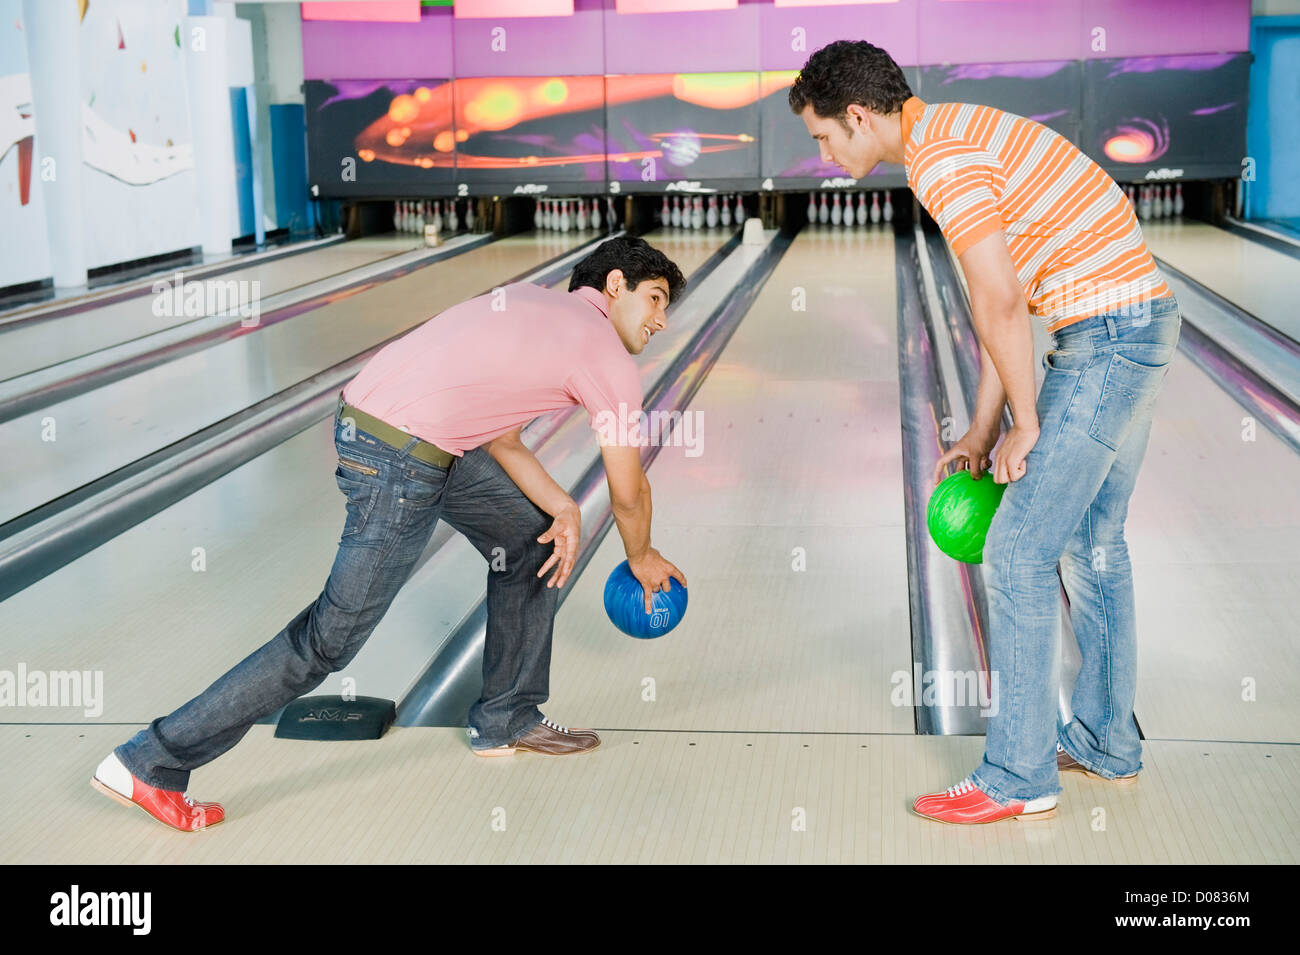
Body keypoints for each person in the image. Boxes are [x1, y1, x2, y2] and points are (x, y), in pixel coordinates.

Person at [91, 236, 689, 832]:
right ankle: (151, 759)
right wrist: (642, 555)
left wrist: (562, 507)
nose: (662, 319)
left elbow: (500, 438)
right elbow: (629, 490)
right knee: (329, 641)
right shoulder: (605, 356)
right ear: (615, 286)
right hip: (401, 462)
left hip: (380, 429)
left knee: (536, 541)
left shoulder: (529, 304)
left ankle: (507, 716)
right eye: (656, 299)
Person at [790, 41, 1180, 824]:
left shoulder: (942, 163)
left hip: (1104, 338)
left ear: (859, 116)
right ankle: (1106, 739)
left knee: (1016, 551)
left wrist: (1026, 423)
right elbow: (1011, 296)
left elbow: (1000, 302)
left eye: (824, 137)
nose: (824, 155)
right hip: (1140, 321)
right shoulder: (956, 133)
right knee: (1094, 543)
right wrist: (979, 427)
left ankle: (1017, 776)